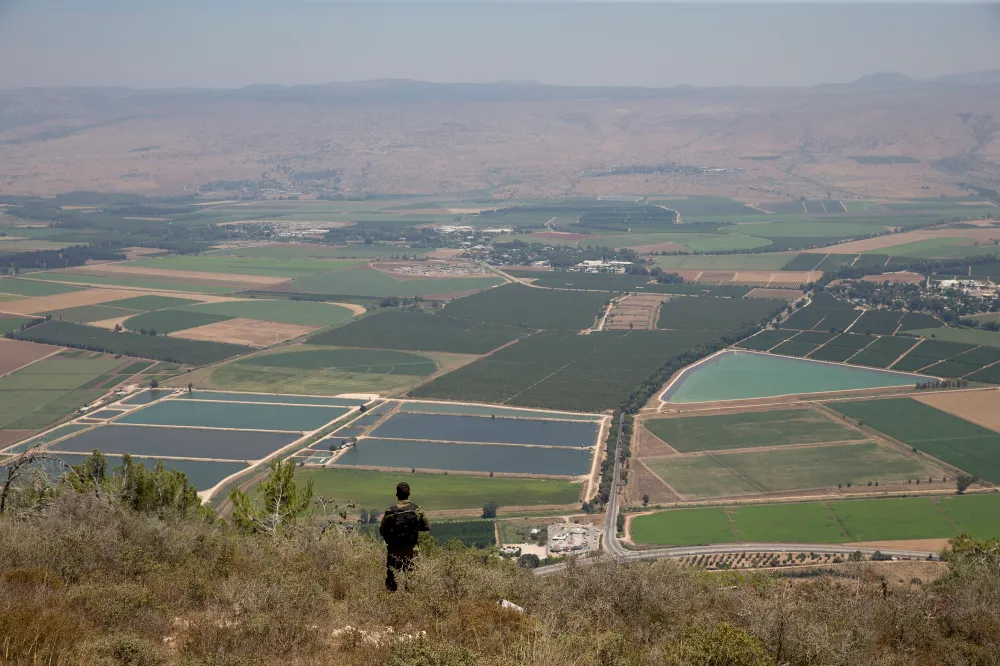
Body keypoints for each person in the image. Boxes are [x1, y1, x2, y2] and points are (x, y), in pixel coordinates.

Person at [378, 481, 430, 592]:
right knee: (411, 578)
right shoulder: (417, 510)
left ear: (396, 494)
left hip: (394, 550)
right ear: (409, 493)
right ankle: (411, 602)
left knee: (392, 578)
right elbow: (426, 527)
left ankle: (390, 601)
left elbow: (382, 532)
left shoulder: (390, 512)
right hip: (412, 550)